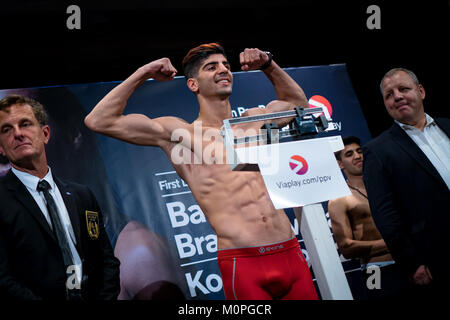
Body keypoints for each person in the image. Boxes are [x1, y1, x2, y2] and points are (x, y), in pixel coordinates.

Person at [85, 43, 318, 300]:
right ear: (193, 84)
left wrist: (268, 64)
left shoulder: (255, 120)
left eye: (226, 66)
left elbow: (301, 105)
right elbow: (99, 120)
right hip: (243, 262)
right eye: (211, 67)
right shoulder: (181, 135)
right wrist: (145, 72)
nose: (223, 70)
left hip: (289, 252)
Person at [0, 94, 120, 300]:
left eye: (25, 124)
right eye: (6, 129)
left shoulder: (82, 195)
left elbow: (106, 260)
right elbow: (3, 279)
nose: (18, 133)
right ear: (1, 147)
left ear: (45, 133)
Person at [362, 68, 450, 298]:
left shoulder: (448, 126)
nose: (397, 96)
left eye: (403, 89)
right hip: (437, 259)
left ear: (421, 91)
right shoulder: (377, 151)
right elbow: (385, 214)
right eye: (389, 95)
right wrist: (412, 262)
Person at [328, 136, 408, 299]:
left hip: (409, 260)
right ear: (340, 164)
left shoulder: (389, 184)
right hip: (375, 269)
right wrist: (394, 242)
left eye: (359, 151)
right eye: (349, 154)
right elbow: (346, 248)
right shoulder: (339, 199)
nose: (357, 156)